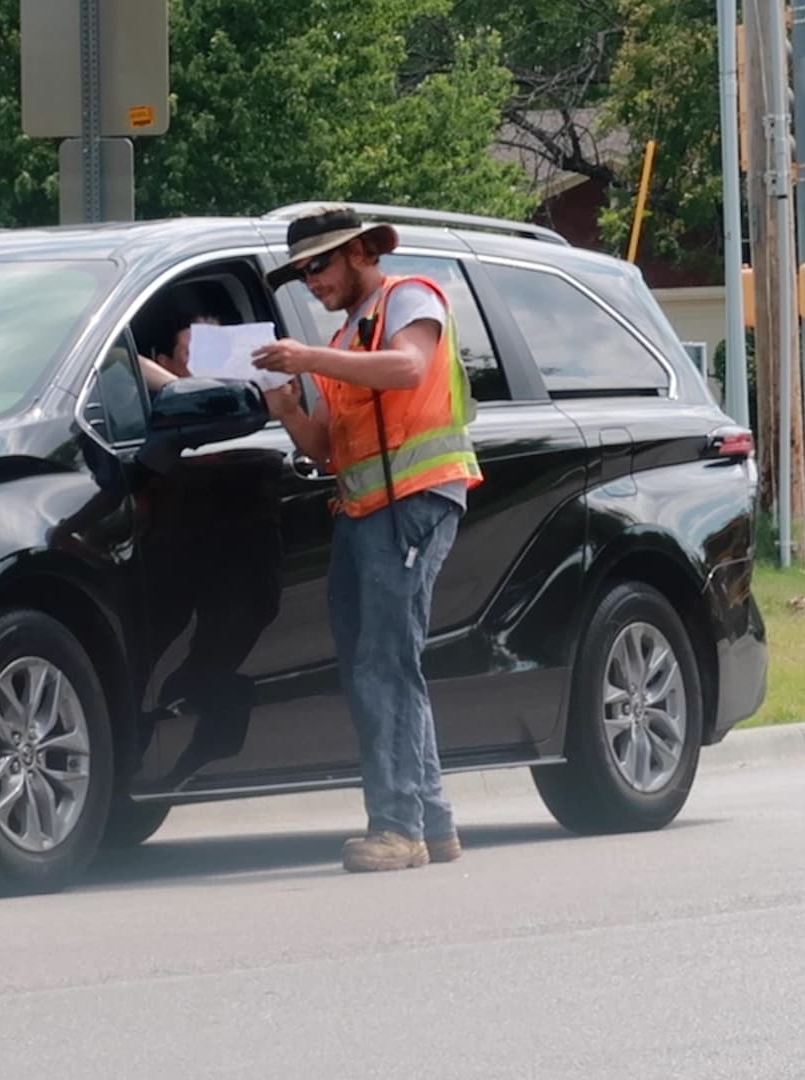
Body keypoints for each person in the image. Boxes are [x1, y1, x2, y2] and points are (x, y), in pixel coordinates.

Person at [250, 206, 483, 873]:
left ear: (359, 252)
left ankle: (397, 828)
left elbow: (408, 370)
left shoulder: (407, 297)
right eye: (300, 272)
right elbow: (326, 449)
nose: (310, 280)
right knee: (377, 662)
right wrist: (288, 406)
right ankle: (431, 824)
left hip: (413, 503)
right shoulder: (346, 339)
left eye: (318, 265)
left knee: (384, 662)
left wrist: (308, 357)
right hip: (363, 510)